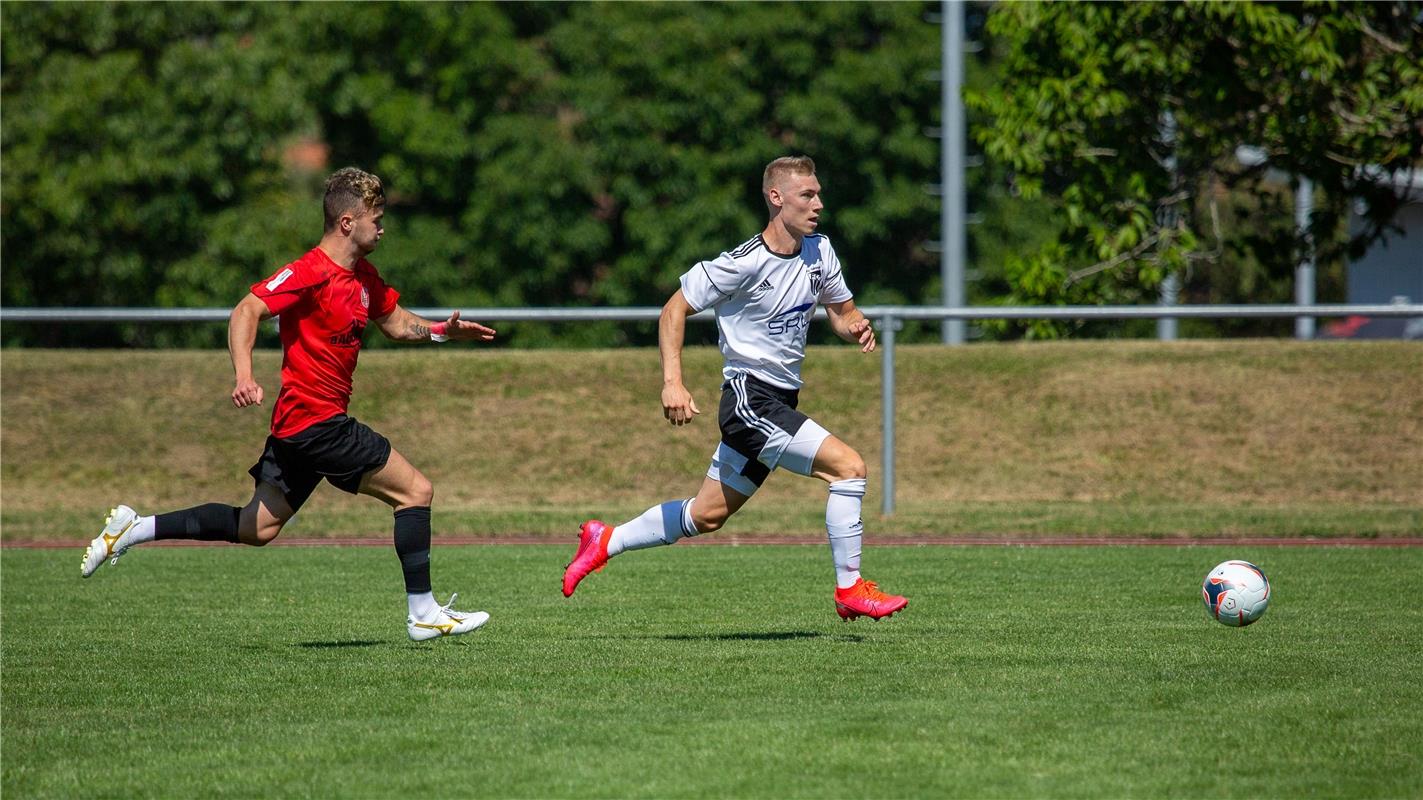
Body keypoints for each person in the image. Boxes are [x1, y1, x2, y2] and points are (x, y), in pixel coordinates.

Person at [81, 167, 498, 642]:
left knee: (255, 526)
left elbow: (397, 322)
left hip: (297, 430)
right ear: (346, 222)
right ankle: (423, 613)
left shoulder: (363, 276)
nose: (381, 227)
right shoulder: (309, 272)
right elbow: (247, 309)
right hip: (318, 423)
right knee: (415, 491)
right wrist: (243, 374)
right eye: (375, 219)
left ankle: (133, 528)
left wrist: (442, 331)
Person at [562, 156, 908, 621]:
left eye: (819, 194)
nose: (819, 204)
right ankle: (850, 589)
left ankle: (606, 540)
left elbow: (841, 313)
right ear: (776, 197)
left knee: (706, 516)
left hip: (780, 400)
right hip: (749, 399)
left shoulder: (820, 251)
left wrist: (856, 326)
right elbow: (673, 310)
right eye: (808, 195)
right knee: (848, 469)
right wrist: (672, 382)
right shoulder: (743, 263)